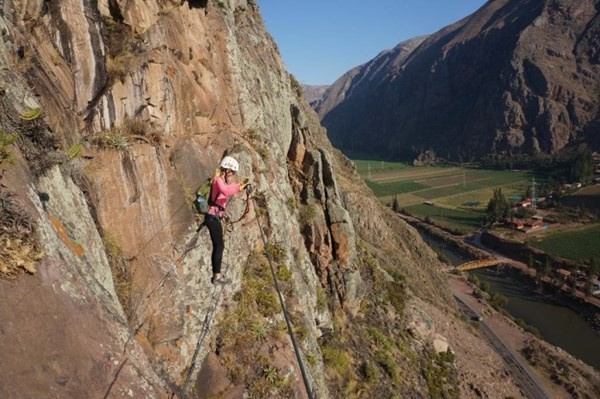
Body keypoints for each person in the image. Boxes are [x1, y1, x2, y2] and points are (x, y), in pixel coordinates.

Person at [204, 156, 249, 284]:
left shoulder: (222, 181)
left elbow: (226, 191)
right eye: (232, 172)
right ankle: (216, 277)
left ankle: (217, 275)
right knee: (219, 246)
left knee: (219, 245)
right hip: (212, 217)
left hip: (215, 216)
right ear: (227, 170)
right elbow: (226, 191)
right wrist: (239, 187)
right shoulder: (218, 180)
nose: (233, 175)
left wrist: (240, 186)